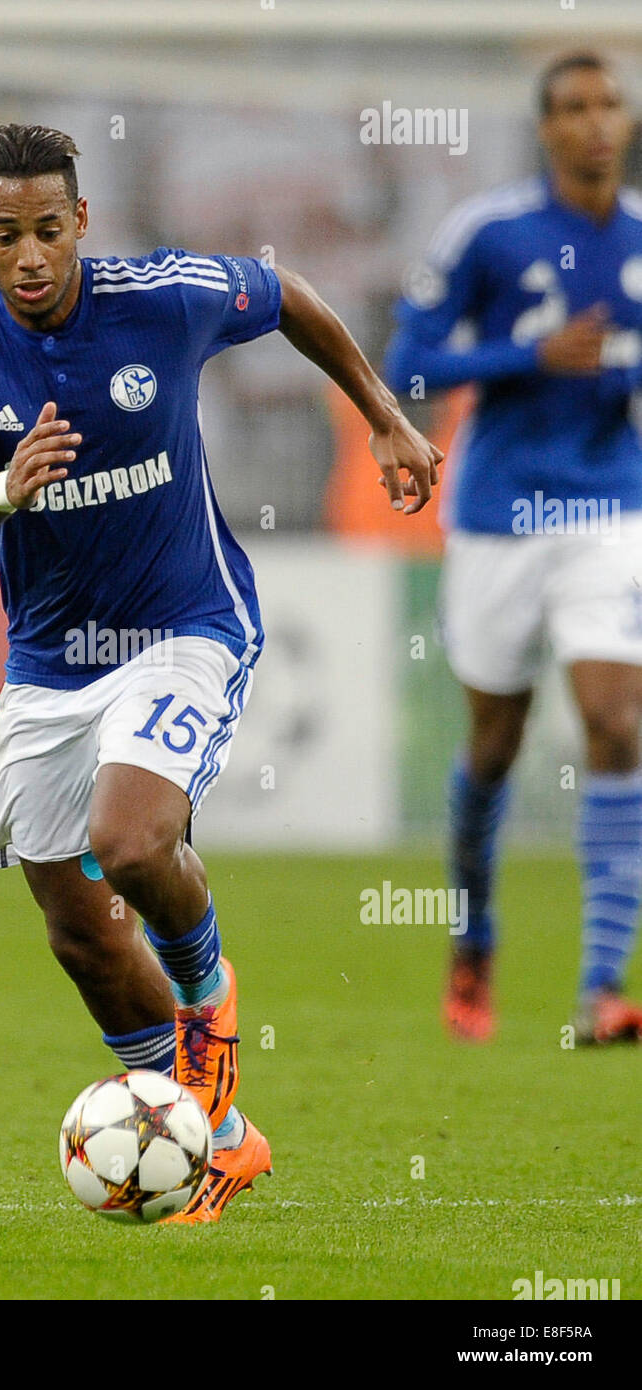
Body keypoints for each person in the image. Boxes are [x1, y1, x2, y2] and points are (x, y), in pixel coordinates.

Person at [0, 123, 440, 1220]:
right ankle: (219, 1136)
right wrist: (2, 492)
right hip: (50, 664)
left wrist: (384, 419)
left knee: (131, 841)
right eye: (5, 235)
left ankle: (208, 1000)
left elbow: (287, 293)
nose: (31, 256)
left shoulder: (164, 296)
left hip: (185, 625)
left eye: (49, 230)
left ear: (81, 222)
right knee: (80, 935)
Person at [385, 53, 642, 1043]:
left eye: (606, 104)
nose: (592, 122)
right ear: (544, 128)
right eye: (572, 107)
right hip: (495, 515)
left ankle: (596, 989)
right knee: (490, 744)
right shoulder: (485, 232)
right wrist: (523, 357)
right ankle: (471, 941)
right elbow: (407, 362)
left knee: (614, 724)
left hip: (608, 509)